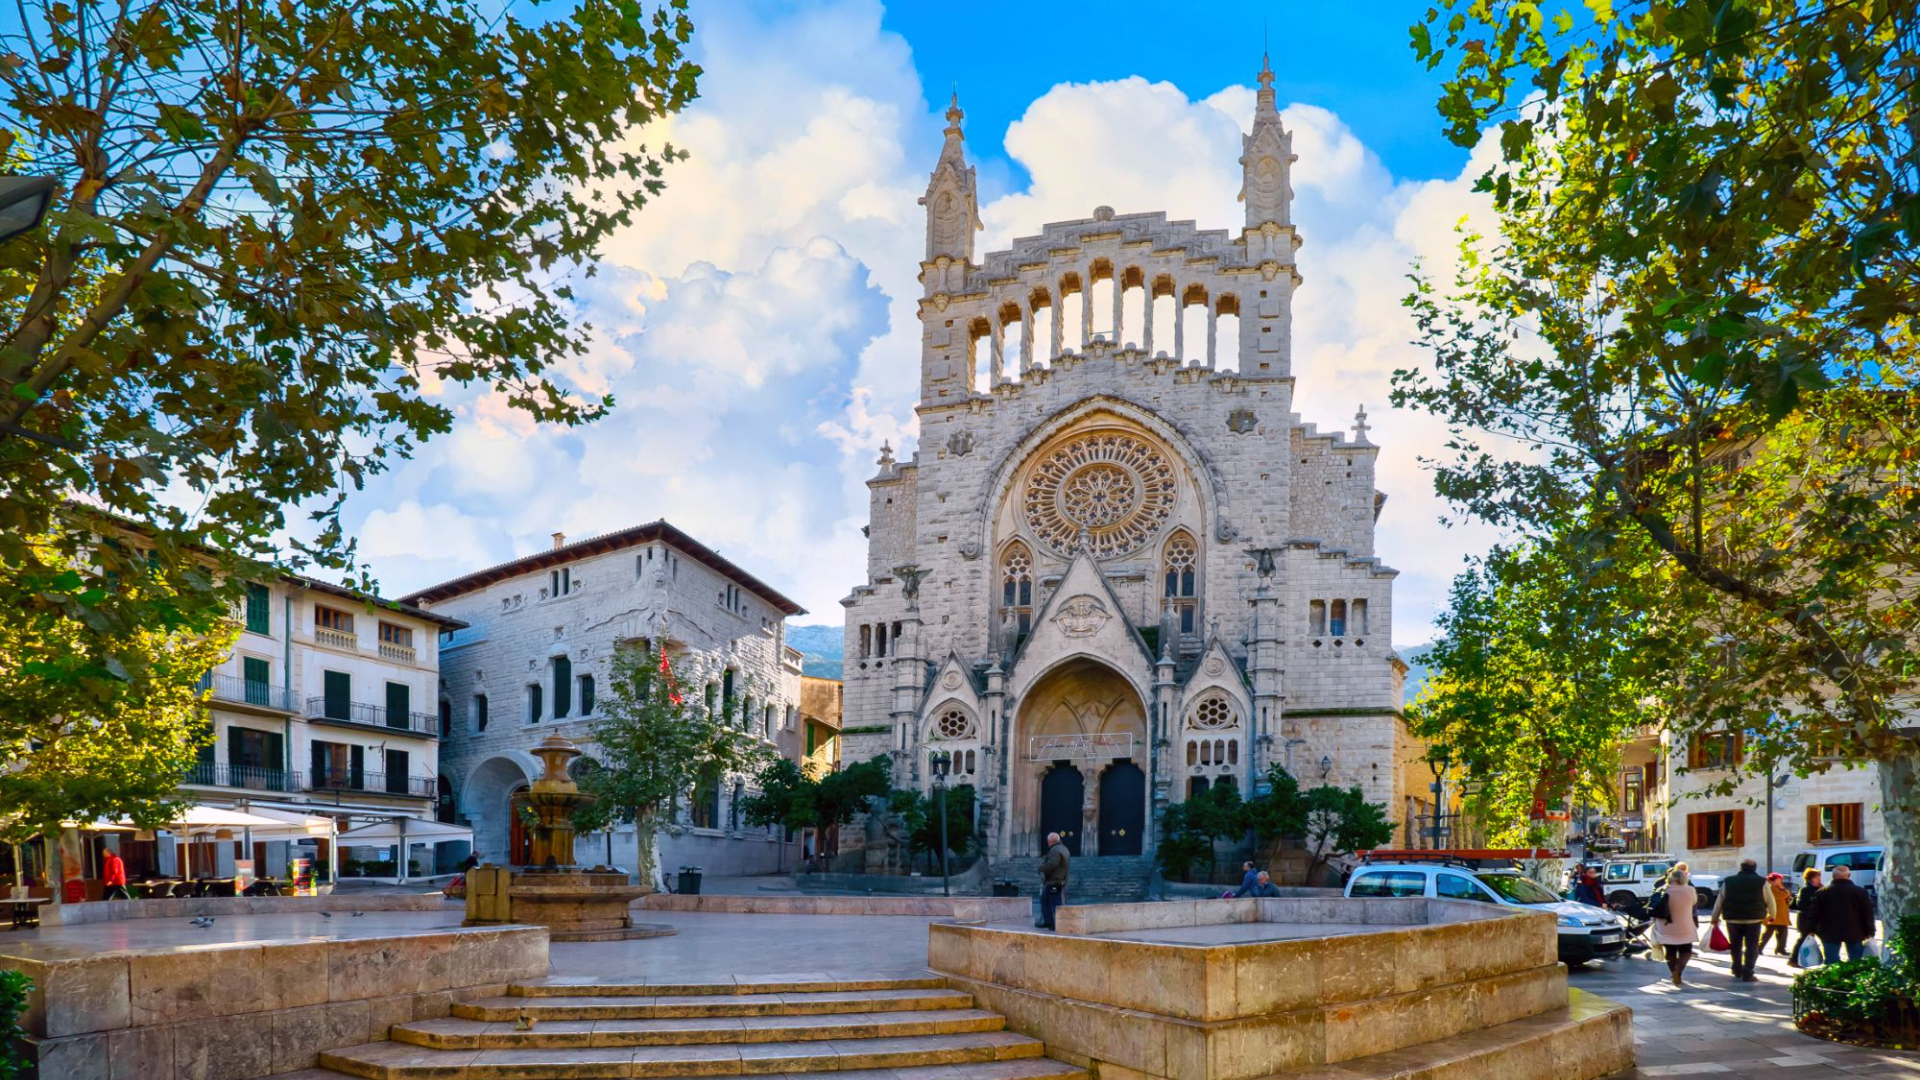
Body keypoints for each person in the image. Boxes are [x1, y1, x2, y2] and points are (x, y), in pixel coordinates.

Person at [1708, 858, 1776, 982]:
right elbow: (1770, 900)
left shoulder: (1729, 881)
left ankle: (1737, 968)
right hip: (1753, 919)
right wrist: (1772, 915)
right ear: (1754, 868)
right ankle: (1748, 972)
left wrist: (1714, 917)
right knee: (1752, 946)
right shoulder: (1761, 881)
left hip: (1733, 919)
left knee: (1735, 945)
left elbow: (1720, 899)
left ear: (1741, 868)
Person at [1808, 864, 1877, 964]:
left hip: (1830, 931)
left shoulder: (1822, 892)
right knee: (1856, 960)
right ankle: (1854, 977)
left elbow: (1814, 913)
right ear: (1849, 876)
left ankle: (1834, 978)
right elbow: (1868, 913)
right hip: (1855, 931)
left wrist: (1810, 929)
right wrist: (1870, 931)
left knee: (1831, 961)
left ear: (1833, 876)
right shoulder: (1860, 891)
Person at [1653, 867, 1700, 987]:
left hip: (1665, 925)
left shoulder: (1662, 890)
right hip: (1685, 925)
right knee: (1686, 950)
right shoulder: (1690, 890)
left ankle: (1674, 972)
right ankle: (1678, 971)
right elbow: (1694, 902)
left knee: (1670, 951)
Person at [1789, 868, 1823, 968]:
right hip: (1806, 920)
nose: (1819, 878)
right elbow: (1800, 905)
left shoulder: (1819, 889)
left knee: (1825, 939)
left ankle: (1827, 960)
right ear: (1811, 878)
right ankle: (1793, 960)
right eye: (1817, 877)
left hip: (1818, 920)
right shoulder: (1805, 890)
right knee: (1804, 939)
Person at [1037, 832, 1070, 930]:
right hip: (1057, 880)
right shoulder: (1064, 848)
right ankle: (1049, 922)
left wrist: (1041, 867)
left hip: (1055, 880)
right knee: (1045, 900)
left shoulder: (1055, 850)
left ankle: (1060, 924)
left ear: (1049, 841)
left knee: (1056, 903)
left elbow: (1052, 864)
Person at [1760, 873, 1794, 957]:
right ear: (1773, 880)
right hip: (1774, 914)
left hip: (1781, 915)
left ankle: (1780, 949)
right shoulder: (1771, 888)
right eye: (1779, 879)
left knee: (1783, 932)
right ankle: (1759, 948)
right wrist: (1786, 892)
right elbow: (1781, 896)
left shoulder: (1778, 888)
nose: (1780, 881)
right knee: (1768, 932)